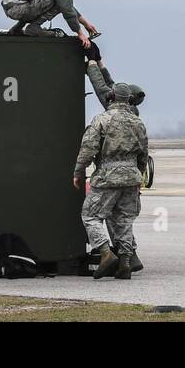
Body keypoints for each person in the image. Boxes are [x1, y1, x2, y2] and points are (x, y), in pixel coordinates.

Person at [74, 83, 148, 280]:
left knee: (90, 216)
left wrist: (79, 171)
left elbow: (88, 148)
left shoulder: (102, 120)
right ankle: (125, 262)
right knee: (124, 220)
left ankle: (106, 253)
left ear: (112, 97)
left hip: (108, 176)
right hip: (132, 177)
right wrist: (138, 175)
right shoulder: (137, 122)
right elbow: (143, 154)